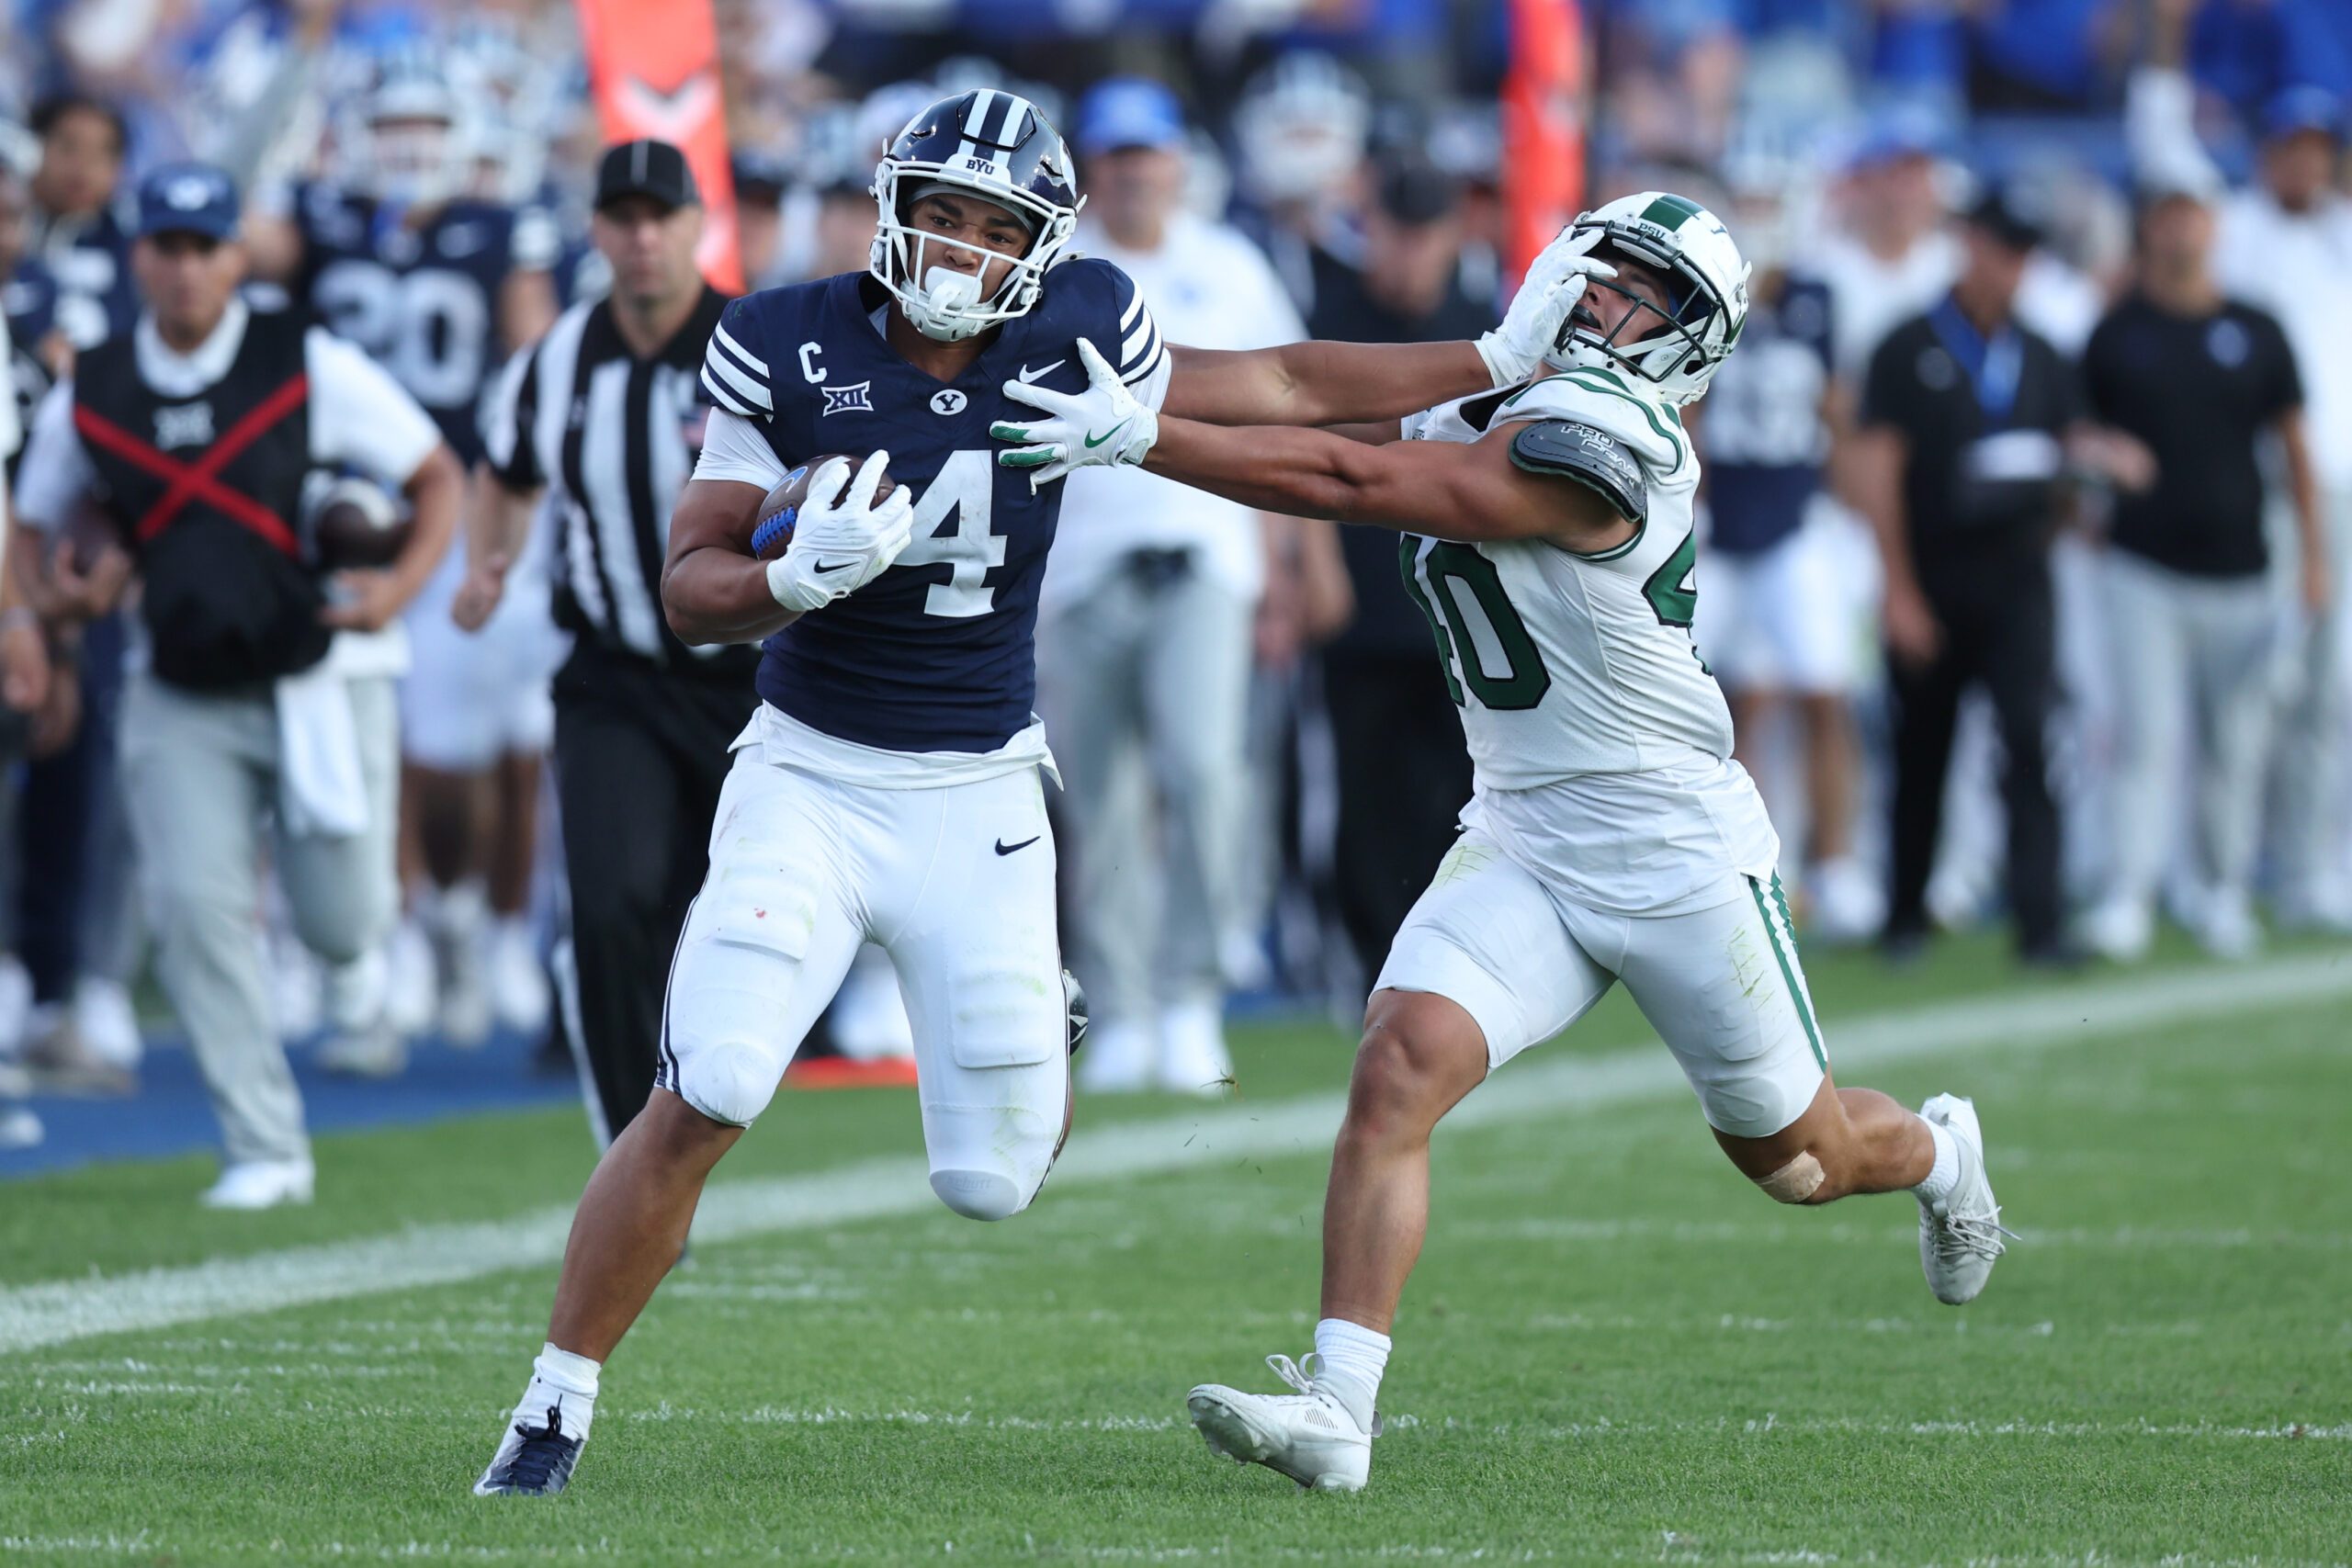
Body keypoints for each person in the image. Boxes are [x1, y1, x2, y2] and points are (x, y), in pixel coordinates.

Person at [472, 87, 1597, 1498]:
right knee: (712, 1082)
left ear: (1042, 244)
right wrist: (783, 580)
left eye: (993, 223)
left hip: (982, 782)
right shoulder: (780, 337)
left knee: (992, 1178)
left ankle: (1042, 1013)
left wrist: (1490, 353)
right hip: (810, 773)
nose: (956, 244)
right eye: (936, 210)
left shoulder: (1081, 326)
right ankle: (553, 1404)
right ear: (889, 205)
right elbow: (690, 581)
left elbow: (1290, 385)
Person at [994, 190, 2011, 1495]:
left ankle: (1940, 1154)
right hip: (1525, 826)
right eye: (1600, 273)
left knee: (1804, 1158)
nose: (1603, 305)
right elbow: (1300, 383)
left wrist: (1139, 441)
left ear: (1689, 344)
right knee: (1398, 1063)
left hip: (1675, 843)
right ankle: (1338, 1409)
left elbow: (1357, 476)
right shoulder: (1499, 379)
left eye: (1642, 295)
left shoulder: (1617, 438)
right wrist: (1100, 368)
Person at [11, 162, 460, 1208]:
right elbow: (34, 523)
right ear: (139, 257)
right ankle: (265, 1144)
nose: (185, 268)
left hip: (316, 668)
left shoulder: (300, 356)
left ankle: (357, 971)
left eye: (205, 247)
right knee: (192, 909)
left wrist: (395, 588)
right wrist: (50, 606)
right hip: (180, 687)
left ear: (235, 256)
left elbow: (433, 473)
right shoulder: (98, 383)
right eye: (166, 246)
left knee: (343, 921)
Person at [248, 52, 562, 1058]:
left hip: (455, 507)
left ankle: (452, 923)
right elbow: (242, 252)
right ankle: (354, 952)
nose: (410, 145)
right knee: (329, 740)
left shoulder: (502, 230)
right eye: (392, 123)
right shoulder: (319, 215)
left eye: (432, 121)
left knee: (446, 754)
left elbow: (535, 357)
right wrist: (268, 132)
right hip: (331, 512)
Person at [455, 141, 743, 1147]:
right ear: (597, 232)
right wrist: (488, 565)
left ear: (698, 224)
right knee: (612, 904)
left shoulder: (753, 347)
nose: (643, 238)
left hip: (753, 686)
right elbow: (504, 468)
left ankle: (712, 1092)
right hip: (612, 677)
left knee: (737, 916)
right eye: (622, 218)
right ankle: (634, 1152)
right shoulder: (558, 359)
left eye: (661, 216)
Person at [1036, 78, 1309, 1095]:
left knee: (1203, 772)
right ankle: (1122, 1005)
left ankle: (1192, 991)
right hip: (1077, 565)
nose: (1133, 174)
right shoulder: (1058, 268)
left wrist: (1288, 564)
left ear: (1177, 164)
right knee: (1097, 795)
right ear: (1090, 171)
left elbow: (1285, 416)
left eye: (1146, 155)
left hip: (1203, 557)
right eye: (1114, 158)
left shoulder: (1226, 265)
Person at [2075, 168, 2324, 962]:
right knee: (2144, 736)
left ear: (2214, 226)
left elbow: (2293, 447)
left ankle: (2222, 889)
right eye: (2169, 216)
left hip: (2243, 568)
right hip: (2144, 566)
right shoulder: (2117, 330)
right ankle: (2131, 893)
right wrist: (2100, 466)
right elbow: (2078, 431)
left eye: (2195, 216)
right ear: (2151, 227)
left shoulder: (2256, 326)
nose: (2183, 231)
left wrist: (2315, 557)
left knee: (2234, 744)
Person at [1848, 188, 2090, 965]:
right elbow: (1878, 469)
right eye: (2004, 249)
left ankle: (2040, 924)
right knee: (1922, 751)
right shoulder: (1906, 345)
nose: (2014, 268)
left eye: (2025, 254)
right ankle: (1905, 918)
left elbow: (2064, 458)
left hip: (2020, 580)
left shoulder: (2043, 351)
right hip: (1933, 574)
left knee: (2029, 745)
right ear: (1971, 247)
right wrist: (1898, 587)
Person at [1304, 151, 1489, 983]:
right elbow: (1296, 452)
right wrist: (1309, 565)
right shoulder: (1331, 313)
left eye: (1426, 233)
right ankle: (1372, 957)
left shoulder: (1488, 326)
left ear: (1451, 235)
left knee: (1462, 794)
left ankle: (1453, 960)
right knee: (1364, 792)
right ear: (1368, 227)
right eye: (1397, 230)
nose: (1411, 251)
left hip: (1462, 606)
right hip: (1365, 595)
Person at [1695, 156, 1880, 941]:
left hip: (1798, 521)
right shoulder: (1700, 296)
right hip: (1719, 524)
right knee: (1725, 713)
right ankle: (1746, 868)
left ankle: (1835, 865)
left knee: (1825, 695)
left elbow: (1839, 413)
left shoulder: (1818, 297)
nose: (1761, 212)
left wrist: (1855, 514)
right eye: (1750, 199)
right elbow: (1688, 411)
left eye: (1772, 199)